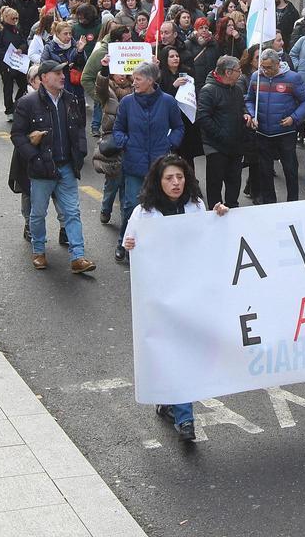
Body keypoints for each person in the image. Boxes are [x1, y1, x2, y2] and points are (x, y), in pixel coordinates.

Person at [123, 155, 230, 441]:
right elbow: (131, 246)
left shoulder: (196, 206)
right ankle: (179, 411)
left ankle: (178, 410)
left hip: (190, 294)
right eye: (169, 178)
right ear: (158, 182)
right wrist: (130, 244)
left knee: (183, 352)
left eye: (180, 177)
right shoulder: (143, 213)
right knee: (172, 350)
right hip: (161, 297)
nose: (175, 183)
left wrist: (219, 217)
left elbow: (208, 239)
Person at [11, 60, 96, 273]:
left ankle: (78, 256)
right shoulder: (27, 103)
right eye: (57, 73)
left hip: (66, 167)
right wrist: (34, 158)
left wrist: (80, 152)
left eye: (62, 72)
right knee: (38, 213)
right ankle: (39, 251)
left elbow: (79, 128)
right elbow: (17, 135)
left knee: (72, 212)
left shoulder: (70, 99)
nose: (62, 76)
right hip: (42, 169)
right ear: (43, 77)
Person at [113, 62, 185, 262]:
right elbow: (118, 129)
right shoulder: (127, 102)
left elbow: (178, 127)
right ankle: (123, 243)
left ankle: (157, 246)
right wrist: (125, 143)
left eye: (138, 79)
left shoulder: (168, 102)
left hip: (160, 167)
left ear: (151, 80)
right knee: (131, 207)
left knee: (159, 207)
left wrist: (169, 144)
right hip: (134, 165)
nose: (133, 82)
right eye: (133, 78)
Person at [245, 48, 305, 203]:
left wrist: (294, 118)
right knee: (265, 171)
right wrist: (253, 115)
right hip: (263, 133)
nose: (265, 70)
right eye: (263, 67)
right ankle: (270, 203)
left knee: (290, 170)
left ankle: (292, 202)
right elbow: (249, 100)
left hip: (285, 133)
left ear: (278, 64)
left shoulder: (293, 78)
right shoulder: (256, 77)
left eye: (269, 67)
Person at [196, 55, 247, 208]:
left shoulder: (237, 89)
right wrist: (221, 135)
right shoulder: (208, 91)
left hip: (236, 145)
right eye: (238, 70)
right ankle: (215, 210)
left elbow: (241, 108)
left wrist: (246, 115)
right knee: (215, 183)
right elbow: (203, 118)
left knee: (234, 181)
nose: (241, 73)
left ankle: (232, 207)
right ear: (228, 72)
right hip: (216, 146)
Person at [90, 64, 132, 224]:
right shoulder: (108, 91)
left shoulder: (136, 87)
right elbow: (100, 88)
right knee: (112, 183)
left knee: (127, 184)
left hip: (131, 141)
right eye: (118, 72)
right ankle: (105, 209)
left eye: (124, 72)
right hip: (113, 141)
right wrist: (104, 70)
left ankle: (126, 220)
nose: (122, 75)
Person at [0, 6, 29, 119]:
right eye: (13, 18)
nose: (15, 21)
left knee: (24, 85)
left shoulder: (17, 29)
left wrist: (21, 49)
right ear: (5, 17)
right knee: (8, 87)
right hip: (6, 63)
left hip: (18, 62)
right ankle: (9, 110)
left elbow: (24, 42)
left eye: (16, 18)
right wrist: (7, 55)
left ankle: (17, 104)